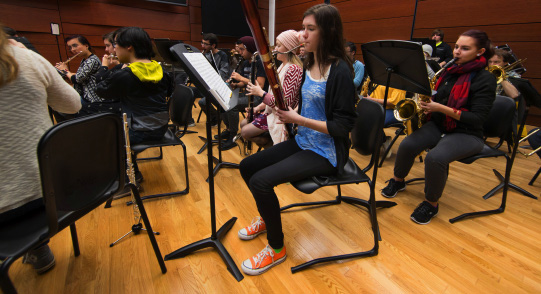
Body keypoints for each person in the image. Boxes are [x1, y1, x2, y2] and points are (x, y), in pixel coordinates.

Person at [237, 4, 356, 275]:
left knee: (260, 180)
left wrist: (297, 119)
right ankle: (269, 218)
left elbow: (342, 126)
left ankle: (276, 248)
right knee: (247, 167)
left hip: (327, 151)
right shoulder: (311, 62)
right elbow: (304, 105)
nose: (303, 35)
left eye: (309, 29)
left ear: (329, 31)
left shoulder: (340, 72)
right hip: (304, 140)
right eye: (303, 28)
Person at [381, 29, 496, 225]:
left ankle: (431, 203)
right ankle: (398, 181)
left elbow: (476, 118)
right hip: (440, 124)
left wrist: (440, 108)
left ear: (480, 51)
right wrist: (427, 107)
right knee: (408, 144)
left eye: (465, 48)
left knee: (436, 158)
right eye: (457, 46)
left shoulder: (485, 79)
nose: (457, 52)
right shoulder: (449, 72)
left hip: (467, 133)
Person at [0, 27, 81, 274]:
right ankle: (38, 247)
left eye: (75, 47)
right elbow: (73, 103)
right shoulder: (25, 57)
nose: (72, 51)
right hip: (54, 192)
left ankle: (37, 248)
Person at [96, 27, 173, 186]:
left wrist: (104, 66)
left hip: (141, 130)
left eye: (116, 44)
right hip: (161, 125)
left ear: (129, 46)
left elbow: (101, 90)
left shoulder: (127, 74)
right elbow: (170, 91)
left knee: (107, 140)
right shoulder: (162, 70)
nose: (114, 48)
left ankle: (129, 180)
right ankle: (130, 167)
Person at [243, 30, 303, 146]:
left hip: (282, 118)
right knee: (244, 123)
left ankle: (271, 146)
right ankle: (270, 145)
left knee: (245, 131)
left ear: (289, 48)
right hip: (272, 112)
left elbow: (284, 104)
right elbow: (275, 94)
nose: (275, 48)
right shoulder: (282, 66)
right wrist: (258, 107)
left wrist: (261, 93)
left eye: (279, 45)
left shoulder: (294, 69)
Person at [220, 36, 268, 151]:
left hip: (258, 98)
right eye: (239, 49)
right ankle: (228, 129)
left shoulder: (260, 62)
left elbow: (260, 85)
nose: (239, 52)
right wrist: (236, 84)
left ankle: (233, 135)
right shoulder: (246, 62)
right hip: (247, 94)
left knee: (232, 106)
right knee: (222, 100)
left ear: (250, 48)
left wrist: (240, 77)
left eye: (242, 49)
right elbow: (243, 82)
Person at [55, 35, 104, 117]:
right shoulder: (85, 60)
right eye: (70, 47)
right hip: (84, 96)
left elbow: (77, 79)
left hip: (92, 99)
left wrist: (65, 70)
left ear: (86, 46)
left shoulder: (92, 60)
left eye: (75, 45)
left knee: (61, 109)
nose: (72, 50)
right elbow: (80, 75)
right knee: (58, 106)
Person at [197, 33, 230, 127]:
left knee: (203, 102)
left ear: (213, 45)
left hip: (219, 85)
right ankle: (188, 121)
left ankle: (216, 118)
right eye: (202, 43)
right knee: (188, 92)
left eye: (205, 44)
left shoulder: (222, 55)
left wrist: (211, 79)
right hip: (207, 85)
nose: (202, 46)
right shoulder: (205, 54)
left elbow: (224, 73)